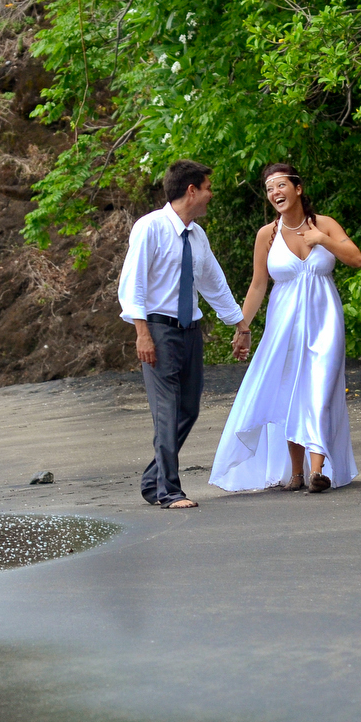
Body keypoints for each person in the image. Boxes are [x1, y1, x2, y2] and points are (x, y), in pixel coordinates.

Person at [209, 163, 361, 494]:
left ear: (298, 188)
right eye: (269, 189)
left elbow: (356, 258)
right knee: (291, 392)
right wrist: (243, 326)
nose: (275, 193)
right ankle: (296, 472)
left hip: (325, 321)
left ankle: (317, 470)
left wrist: (323, 239)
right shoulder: (267, 235)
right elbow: (257, 285)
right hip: (284, 324)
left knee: (320, 389)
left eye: (281, 185)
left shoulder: (324, 225)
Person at [118, 159, 247, 509]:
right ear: (191, 191)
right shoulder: (150, 228)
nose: (211, 194)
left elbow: (212, 282)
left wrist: (238, 323)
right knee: (167, 409)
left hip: (190, 330)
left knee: (188, 408)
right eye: (208, 188)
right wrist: (141, 333)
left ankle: (152, 480)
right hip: (158, 329)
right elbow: (134, 284)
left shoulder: (197, 235)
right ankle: (170, 491)